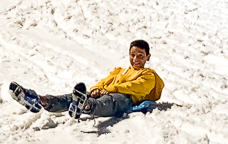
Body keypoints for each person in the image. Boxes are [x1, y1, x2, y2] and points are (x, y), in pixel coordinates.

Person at [10, 40, 164, 119]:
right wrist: (96, 89)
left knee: (110, 101)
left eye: (140, 56)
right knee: (72, 97)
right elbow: (104, 81)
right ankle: (40, 100)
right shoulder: (120, 70)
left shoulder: (148, 74)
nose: (136, 59)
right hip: (105, 92)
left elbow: (136, 87)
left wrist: (108, 89)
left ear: (148, 57)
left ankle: (84, 105)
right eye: (133, 55)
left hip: (126, 98)